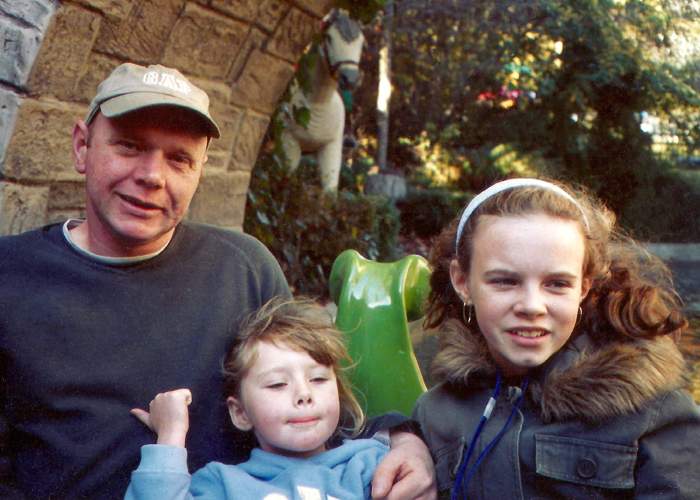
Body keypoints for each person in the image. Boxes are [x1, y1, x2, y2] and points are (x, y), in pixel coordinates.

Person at [0, 62, 435, 499]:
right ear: (81, 147)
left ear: (199, 172)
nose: (152, 175)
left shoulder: (242, 269)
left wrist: (406, 440)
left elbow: (319, 405)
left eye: (179, 158)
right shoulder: (11, 275)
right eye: (129, 146)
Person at [412, 178, 700, 499]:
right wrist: (398, 435)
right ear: (462, 282)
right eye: (505, 281)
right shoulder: (433, 414)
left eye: (557, 284)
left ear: (584, 288)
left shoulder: (655, 413)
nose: (532, 306)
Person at [125, 297, 391, 498]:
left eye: (318, 379)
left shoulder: (370, 465)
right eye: (277, 384)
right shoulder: (223, 484)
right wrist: (170, 436)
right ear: (240, 413)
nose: (304, 394)